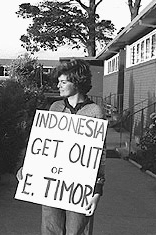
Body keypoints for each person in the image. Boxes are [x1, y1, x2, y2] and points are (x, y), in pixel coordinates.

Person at [17, 58, 106, 235]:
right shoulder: (55, 107)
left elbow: (99, 155)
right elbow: (43, 144)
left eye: (63, 82)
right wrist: (28, 167)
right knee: (50, 229)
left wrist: (97, 191)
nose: (59, 85)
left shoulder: (95, 111)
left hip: (80, 184)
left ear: (77, 83)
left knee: (77, 231)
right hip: (52, 183)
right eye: (59, 81)